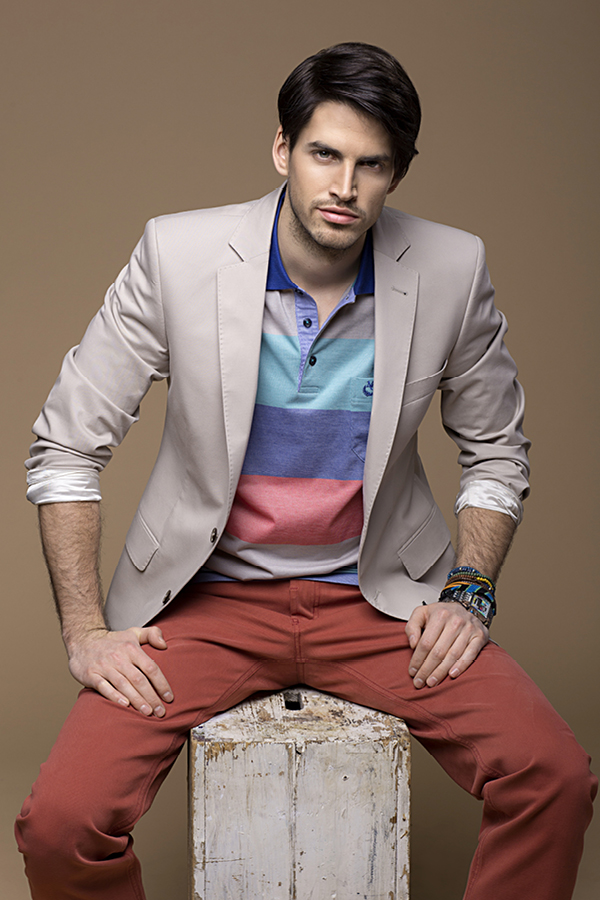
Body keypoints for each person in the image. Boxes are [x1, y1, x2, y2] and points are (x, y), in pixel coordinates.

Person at [15, 42, 595, 900]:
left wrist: (470, 591)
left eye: (372, 165)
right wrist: (83, 630)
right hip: (202, 605)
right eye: (325, 154)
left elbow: (497, 450)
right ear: (283, 148)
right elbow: (67, 446)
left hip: (382, 601)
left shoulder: (450, 268)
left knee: (555, 777)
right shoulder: (178, 255)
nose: (344, 186)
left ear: (398, 173)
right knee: (61, 824)